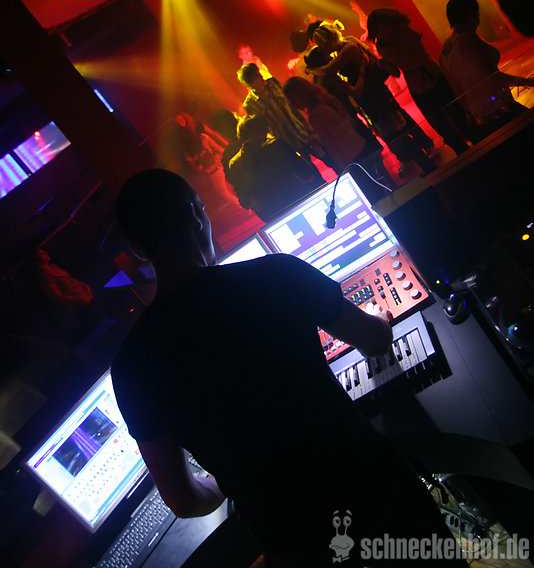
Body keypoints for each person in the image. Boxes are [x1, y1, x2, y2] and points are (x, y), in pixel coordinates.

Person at [111, 169, 468, 567]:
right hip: (374, 491)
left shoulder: (130, 368)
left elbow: (183, 501)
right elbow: (375, 341)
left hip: (292, 543)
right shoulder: (274, 273)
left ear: (139, 250)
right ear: (195, 215)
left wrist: (226, 479)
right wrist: (379, 316)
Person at [309, 21, 437, 176]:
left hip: (373, 94)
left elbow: (329, 69)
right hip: (371, 94)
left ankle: (423, 158)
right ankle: (418, 154)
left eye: (320, 44)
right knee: (396, 125)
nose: (321, 48)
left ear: (328, 40)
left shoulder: (348, 48)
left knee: (395, 128)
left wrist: (313, 69)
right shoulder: (346, 44)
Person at [366, 8, 470, 155]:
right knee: (439, 125)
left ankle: (476, 142)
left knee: (458, 114)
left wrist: (396, 57)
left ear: (392, 22)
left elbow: (419, 57)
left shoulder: (405, 32)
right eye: (378, 30)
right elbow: (396, 72)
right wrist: (385, 65)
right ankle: (463, 152)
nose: (383, 32)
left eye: (385, 26)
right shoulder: (382, 46)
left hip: (431, 75)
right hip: (416, 85)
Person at [283, 77, 393, 203]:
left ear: (299, 94)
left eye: (292, 100)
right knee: (387, 186)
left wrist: (343, 169)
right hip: (361, 145)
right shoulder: (325, 98)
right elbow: (348, 123)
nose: (293, 105)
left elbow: (332, 145)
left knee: (374, 196)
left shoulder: (314, 115)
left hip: (351, 159)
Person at [440, 0, 534, 139]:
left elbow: (458, 91)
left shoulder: (444, 51)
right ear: (472, 14)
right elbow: (493, 78)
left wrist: (470, 113)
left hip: (482, 117)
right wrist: (527, 81)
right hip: (500, 109)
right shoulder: (468, 39)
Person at [227, 114, 323, 221]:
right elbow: (306, 174)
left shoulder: (234, 163)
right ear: (263, 130)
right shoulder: (276, 145)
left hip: (271, 214)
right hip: (298, 199)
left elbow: (245, 201)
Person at [237, 62, 320, 160]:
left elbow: (291, 103)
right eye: (256, 76)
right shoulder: (250, 104)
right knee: (307, 167)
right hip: (287, 143)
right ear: (250, 83)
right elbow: (262, 128)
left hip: (302, 130)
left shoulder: (273, 83)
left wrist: (309, 127)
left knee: (327, 157)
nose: (261, 76)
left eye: (258, 73)